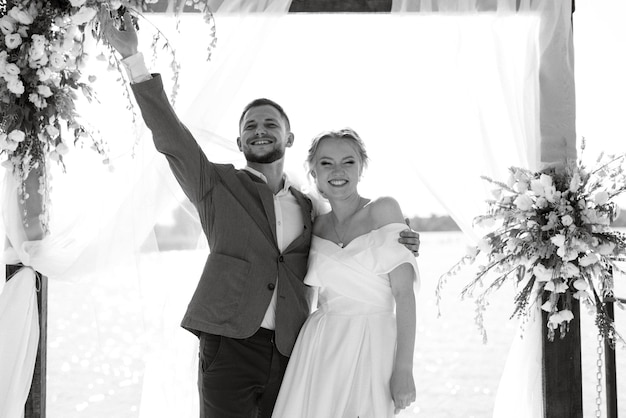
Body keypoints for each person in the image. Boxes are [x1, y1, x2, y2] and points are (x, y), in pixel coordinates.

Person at [102, 11, 420, 418]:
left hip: (294, 351)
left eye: (271, 123)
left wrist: (404, 239)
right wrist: (134, 60)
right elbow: (172, 139)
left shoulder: (310, 209)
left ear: (289, 137)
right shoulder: (216, 186)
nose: (260, 130)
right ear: (239, 141)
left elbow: (360, 242)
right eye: (250, 125)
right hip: (229, 345)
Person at [272, 128, 419, 418]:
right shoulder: (314, 222)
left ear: (361, 167)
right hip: (320, 345)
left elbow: (404, 295)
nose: (337, 170)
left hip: (373, 341)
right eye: (326, 163)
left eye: (348, 162)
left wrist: (404, 369)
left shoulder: (384, 209)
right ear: (313, 171)